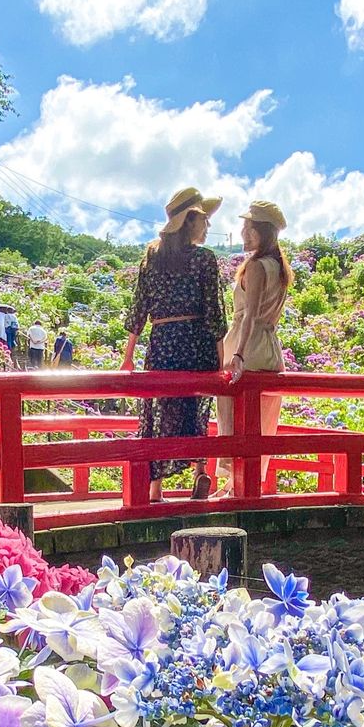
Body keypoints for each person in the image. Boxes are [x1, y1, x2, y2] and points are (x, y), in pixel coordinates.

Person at [121, 187, 226, 502]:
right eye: (204, 219)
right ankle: (200, 472)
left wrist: (128, 356)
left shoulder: (152, 256)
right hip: (196, 342)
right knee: (195, 409)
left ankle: (155, 489)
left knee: (161, 411)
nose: (207, 226)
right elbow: (214, 312)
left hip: (163, 342)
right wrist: (222, 359)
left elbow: (139, 308)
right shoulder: (204, 259)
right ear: (190, 220)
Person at [214, 201, 292, 497]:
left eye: (249, 228)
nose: (243, 232)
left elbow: (249, 314)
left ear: (262, 231)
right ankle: (239, 483)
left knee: (233, 415)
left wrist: (238, 354)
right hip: (269, 345)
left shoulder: (258, 266)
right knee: (262, 418)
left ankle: (235, 482)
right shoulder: (280, 267)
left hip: (248, 343)